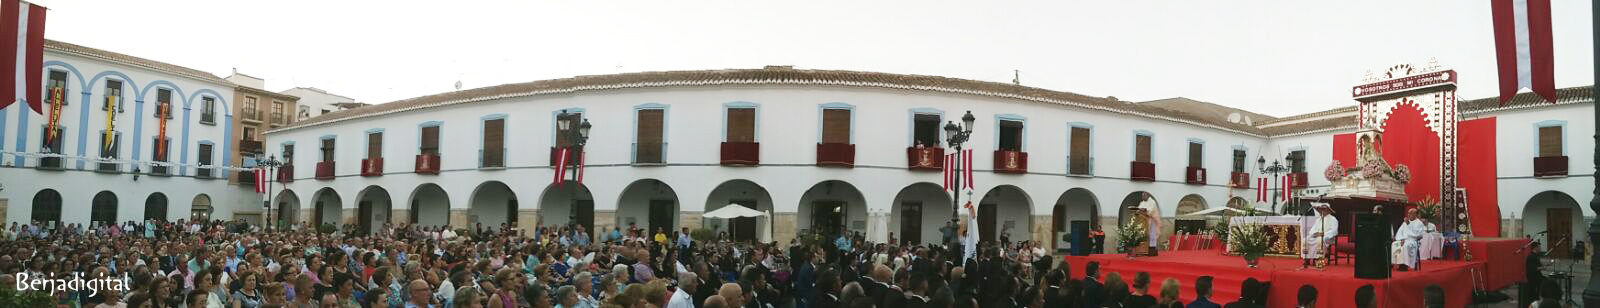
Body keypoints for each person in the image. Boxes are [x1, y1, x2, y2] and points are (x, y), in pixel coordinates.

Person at [1302, 203, 1338, 269]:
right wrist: (1315, 233)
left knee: (1319, 240)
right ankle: (1307, 258)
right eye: (1321, 210)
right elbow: (1313, 229)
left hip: (1327, 237)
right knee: (1305, 240)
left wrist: (1323, 234)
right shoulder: (1318, 219)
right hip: (1317, 235)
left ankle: (1318, 259)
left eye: (1324, 210)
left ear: (1328, 211)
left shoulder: (1333, 219)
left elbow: (1334, 231)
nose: (1323, 211)